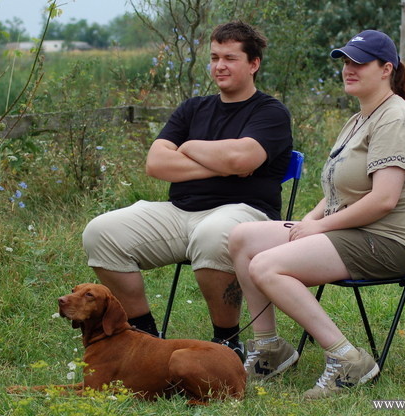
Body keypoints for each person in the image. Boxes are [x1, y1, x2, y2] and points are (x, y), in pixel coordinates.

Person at [229, 29, 405, 398]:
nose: (348, 68)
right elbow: (340, 189)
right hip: (351, 230)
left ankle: (347, 358)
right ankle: (269, 349)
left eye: (360, 62)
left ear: (387, 68)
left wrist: (319, 227)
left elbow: (384, 200)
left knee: (266, 266)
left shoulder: (396, 119)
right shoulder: (360, 119)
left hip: (385, 241)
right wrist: (310, 220)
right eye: (345, 61)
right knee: (243, 237)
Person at [82, 21, 293, 361]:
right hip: (180, 212)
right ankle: (144, 336)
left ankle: (227, 342)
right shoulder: (193, 108)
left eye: (230, 58)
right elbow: (156, 163)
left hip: (246, 213)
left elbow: (243, 157)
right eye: (214, 57)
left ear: (253, 64)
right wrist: (224, 163)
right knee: (101, 232)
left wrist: (190, 146)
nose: (219, 66)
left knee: (213, 234)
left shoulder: (270, 112)